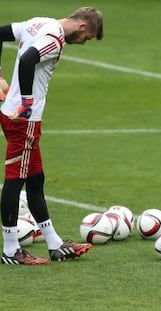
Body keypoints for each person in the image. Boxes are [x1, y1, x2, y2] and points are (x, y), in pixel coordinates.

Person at [0, 7, 104, 265]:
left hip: (17, 116)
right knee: (15, 182)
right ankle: (11, 250)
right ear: (82, 26)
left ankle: (55, 244)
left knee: (36, 179)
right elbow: (27, 61)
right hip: (23, 121)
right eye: (87, 38)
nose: (82, 43)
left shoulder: (38, 22)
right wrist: (26, 101)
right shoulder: (55, 39)